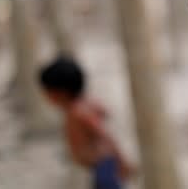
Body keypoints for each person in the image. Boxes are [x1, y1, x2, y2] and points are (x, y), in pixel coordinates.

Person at [39, 56, 134, 189]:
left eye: (47, 92)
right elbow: (105, 114)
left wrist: (121, 161)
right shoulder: (84, 106)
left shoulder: (77, 112)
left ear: (59, 93)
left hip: (103, 167)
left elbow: (104, 135)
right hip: (98, 167)